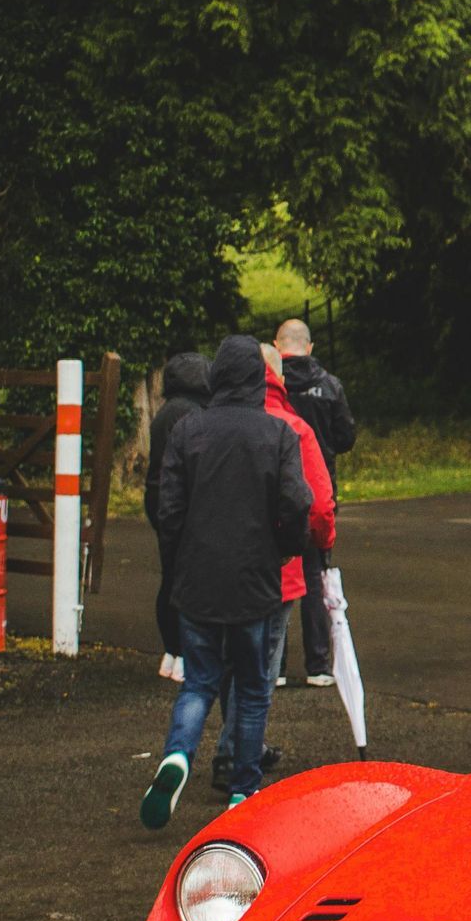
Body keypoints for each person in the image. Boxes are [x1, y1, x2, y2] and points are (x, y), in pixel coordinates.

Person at [142, 336, 314, 827]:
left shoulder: (188, 430)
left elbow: (169, 511)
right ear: (258, 379)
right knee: (254, 688)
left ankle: (177, 756)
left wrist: (176, 569)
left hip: (197, 580)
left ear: (217, 376)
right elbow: (297, 502)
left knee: (198, 682)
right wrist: (286, 548)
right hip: (254, 580)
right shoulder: (276, 434)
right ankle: (243, 788)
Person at [206, 342, 336, 793]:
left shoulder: (212, 424)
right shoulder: (293, 427)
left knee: (229, 666)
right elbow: (317, 504)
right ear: (278, 377)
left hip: (219, 566)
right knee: (260, 670)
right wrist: (321, 543)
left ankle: (240, 748)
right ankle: (237, 757)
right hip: (280, 572)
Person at [272, 318, 355, 682]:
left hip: (277, 493)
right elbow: (345, 437)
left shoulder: (274, 387)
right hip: (320, 490)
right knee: (315, 575)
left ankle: (275, 665)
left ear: (278, 346)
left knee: (277, 575)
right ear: (310, 347)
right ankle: (318, 665)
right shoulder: (329, 386)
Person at [143, 350, 211, 680]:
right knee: (185, 579)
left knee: (170, 575)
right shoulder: (194, 414)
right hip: (181, 502)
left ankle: (171, 652)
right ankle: (185, 651)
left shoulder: (165, 413)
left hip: (158, 499)